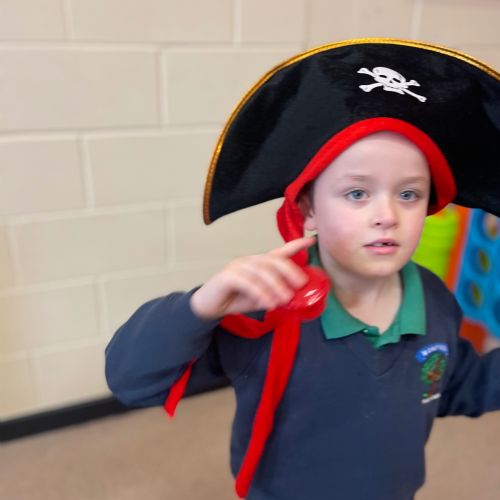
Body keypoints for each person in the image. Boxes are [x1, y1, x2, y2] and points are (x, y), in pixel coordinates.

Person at [105, 39, 500, 500]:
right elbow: (133, 381)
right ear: (308, 209)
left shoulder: (433, 299)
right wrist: (199, 307)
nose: (387, 215)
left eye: (408, 194)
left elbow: (449, 384)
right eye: (357, 193)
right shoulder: (267, 304)